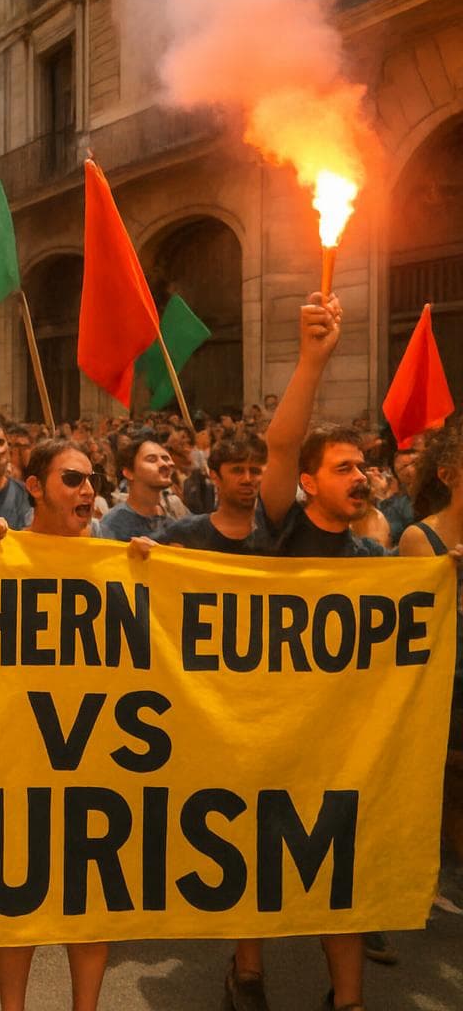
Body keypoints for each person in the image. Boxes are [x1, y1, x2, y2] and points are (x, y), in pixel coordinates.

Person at [240, 291, 377, 1009]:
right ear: (309, 483)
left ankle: (345, 1000)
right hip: (267, 728)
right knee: (257, 854)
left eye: (365, 468)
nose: (360, 477)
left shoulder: (378, 560)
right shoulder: (281, 529)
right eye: (344, 467)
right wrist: (311, 360)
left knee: (338, 866)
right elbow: (282, 442)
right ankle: (249, 974)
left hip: (338, 740)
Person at [0, 439, 121, 1011]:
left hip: (95, 749)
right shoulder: (2, 548)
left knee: (92, 899)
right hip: (23, 751)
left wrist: (147, 570)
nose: (88, 489)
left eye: (93, 479)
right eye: (72, 479)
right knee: (22, 899)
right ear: (33, 487)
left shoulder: (116, 557)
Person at [396, 421, 463, 911]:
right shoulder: (421, 539)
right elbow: (421, 622)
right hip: (447, 675)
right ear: (448, 474)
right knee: (446, 776)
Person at [151, 434, 266, 554]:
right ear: (214, 476)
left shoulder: (277, 538)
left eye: (255, 471)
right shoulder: (186, 533)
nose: (247, 479)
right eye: (237, 470)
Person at [94, 434, 184, 541]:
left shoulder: (176, 508)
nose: (164, 464)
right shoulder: (112, 525)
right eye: (151, 459)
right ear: (129, 472)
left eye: (165, 458)